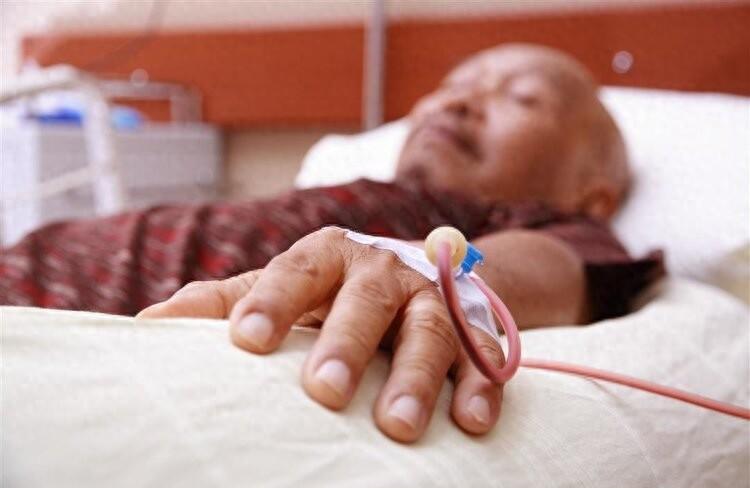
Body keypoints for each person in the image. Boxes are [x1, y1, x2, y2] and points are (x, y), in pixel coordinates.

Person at [0, 44, 662, 443]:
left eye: (521, 98)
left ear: (592, 196)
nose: (457, 103)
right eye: (454, 87)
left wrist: (420, 269)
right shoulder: (346, 192)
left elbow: (552, 268)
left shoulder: (548, 224)